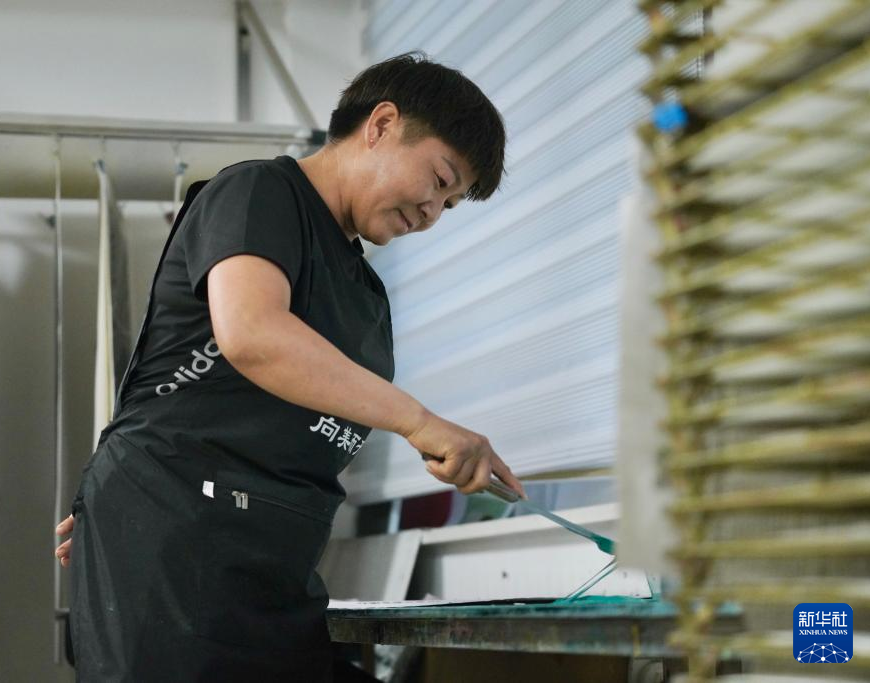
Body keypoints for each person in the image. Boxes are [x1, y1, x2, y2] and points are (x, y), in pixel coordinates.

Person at [53, 51, 524, 682]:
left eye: (451, 204)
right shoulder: (258, 193)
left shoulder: (364, 296)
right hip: (178, 551)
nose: (432, 213)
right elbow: (252, 334)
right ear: (381, 125)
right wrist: (128, 505)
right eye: (438, 180)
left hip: (269, 570)